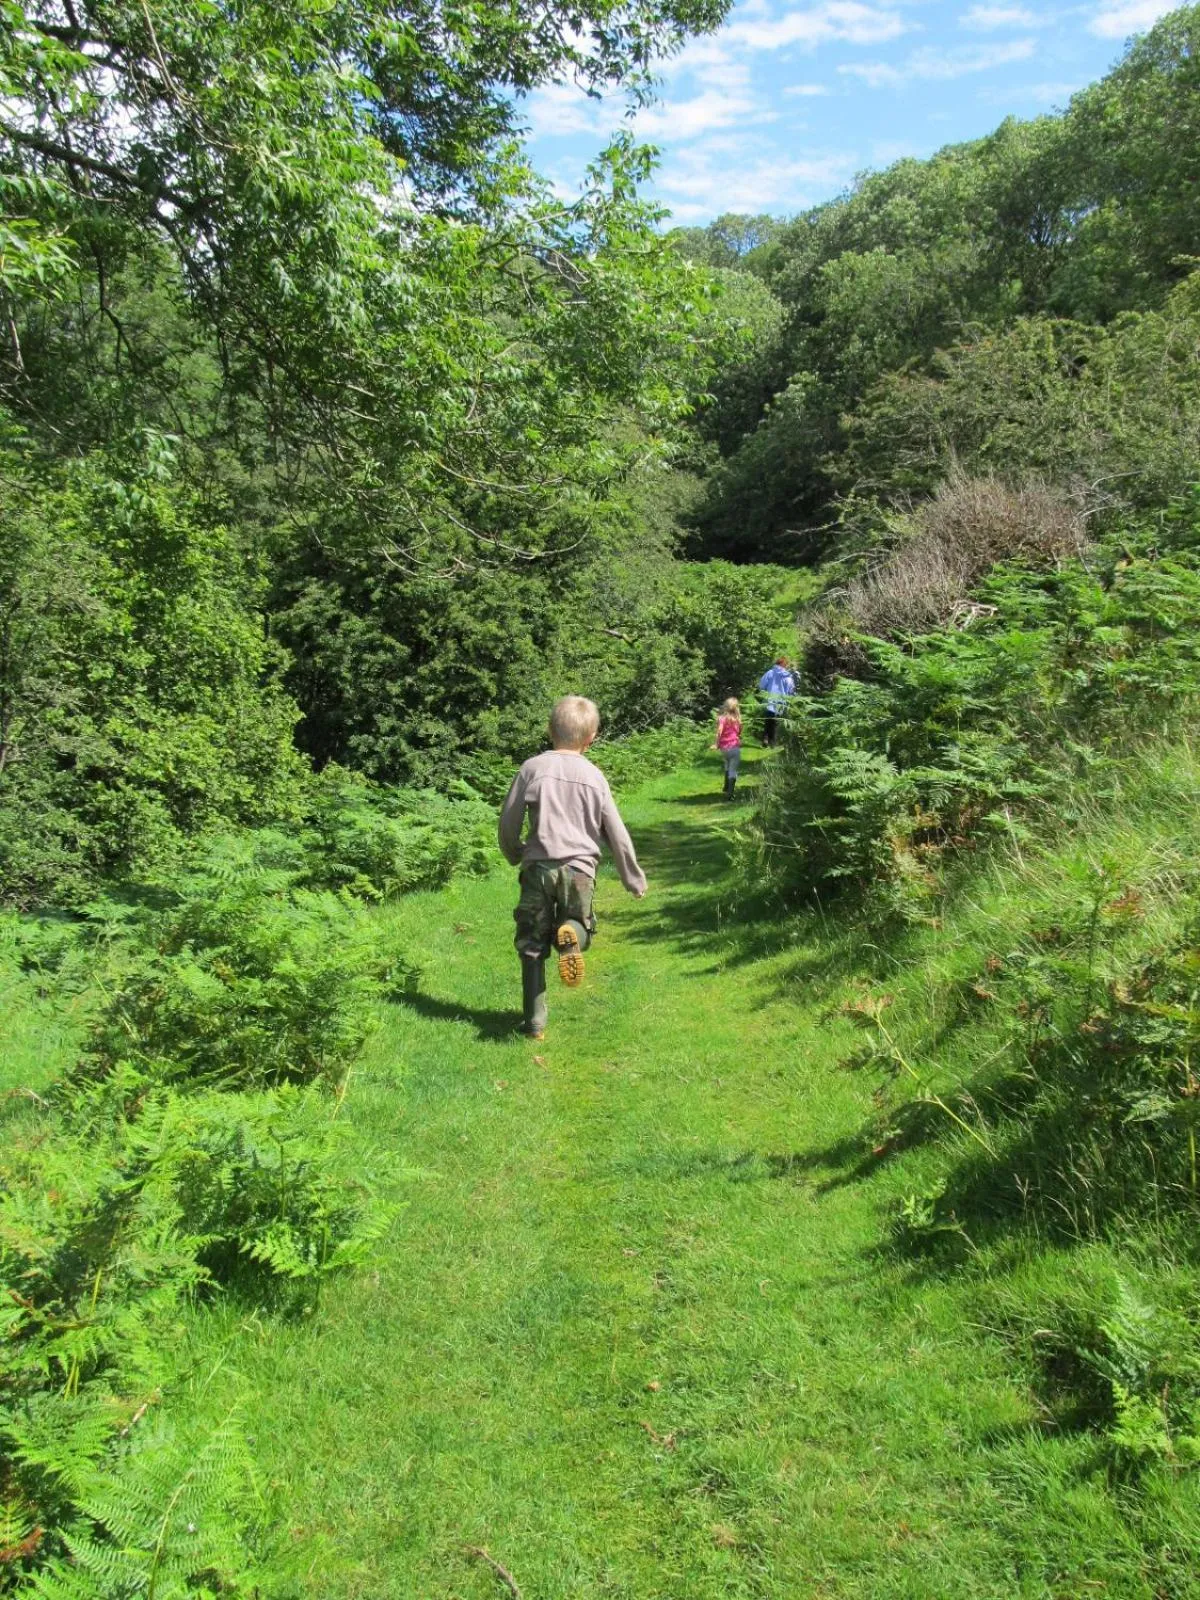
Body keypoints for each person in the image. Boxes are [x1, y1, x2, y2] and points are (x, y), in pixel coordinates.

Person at [498, 695, 647, 1042]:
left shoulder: (532, 768)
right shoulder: (594, 776)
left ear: (549, 730)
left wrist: (515, 852)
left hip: (538, 868)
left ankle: (534, 1023)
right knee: (579, 924)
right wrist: (632, 877)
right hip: (579, 870)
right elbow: (616, 832)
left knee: (531, 943)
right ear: (591, 737)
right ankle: (572, 936)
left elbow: (509, 820)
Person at [758, 656, 795, 748]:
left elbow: (762, 685)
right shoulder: (788, 676)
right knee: (775, 722)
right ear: (785, 665)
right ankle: (772, 742)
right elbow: (791, 690)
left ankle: (765, 738)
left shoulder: (770, 673)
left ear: (777, 663)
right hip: (781, 703)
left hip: (769, 701)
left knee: (768, 720)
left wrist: (765, 691)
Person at [713, 697, 742, 800]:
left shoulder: (721, 718)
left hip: (724, 748)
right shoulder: (738, 719)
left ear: (725, 706)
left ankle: (726, 785)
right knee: (733, 770)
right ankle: (730, 793)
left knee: (727, 763)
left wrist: (716, 744)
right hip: (734, 747)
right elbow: (739, 731)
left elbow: (719, 731)